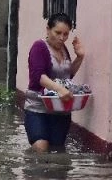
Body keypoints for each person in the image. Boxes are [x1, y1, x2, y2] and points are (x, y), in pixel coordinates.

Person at [23, 12, 85, 152]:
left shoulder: (64, 50)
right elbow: (38, 76)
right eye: (58, 33)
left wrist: (80, 57)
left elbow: (67, 75)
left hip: (61, 111)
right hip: (38, 108)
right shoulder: (39, 47)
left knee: (57, 150)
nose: (62, 38)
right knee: (41, 146)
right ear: (48, 29)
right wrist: (59, 89)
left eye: (66, 34)